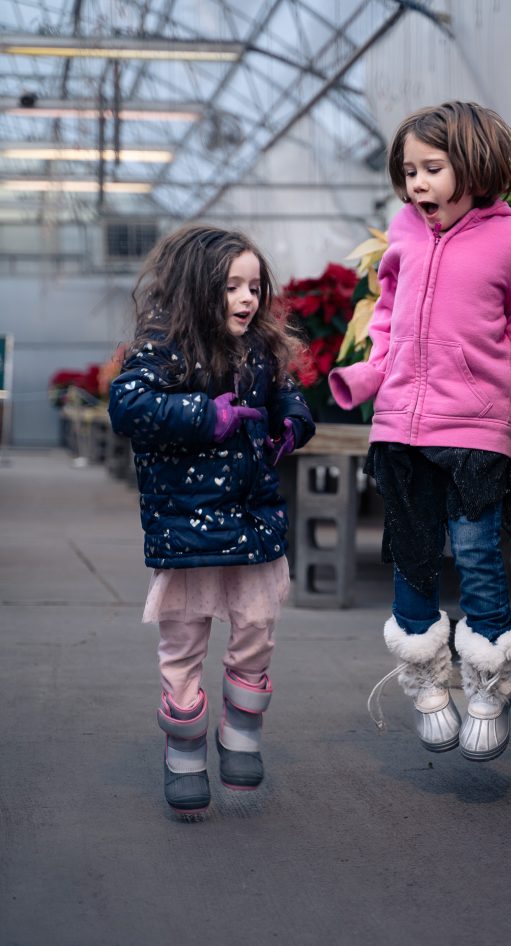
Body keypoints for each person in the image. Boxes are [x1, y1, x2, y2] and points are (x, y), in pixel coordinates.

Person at [329, 100, 511, 762]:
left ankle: (486, 684)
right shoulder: (403, 232)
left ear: (476, 165)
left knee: (477, 554)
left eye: (432, 168)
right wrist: (370, 374)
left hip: (474, 425)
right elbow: (387, 316)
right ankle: (425, 682)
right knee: (411, 554)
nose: (416, 185)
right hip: (400, 421)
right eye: (408, 171)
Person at [109, 225, 315, 816]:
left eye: (254, 286)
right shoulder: (160, 350)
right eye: (231, 287)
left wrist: (291, 426)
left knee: (256, 626)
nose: (248, 299)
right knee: (184, 638)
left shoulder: (263, 352)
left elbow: (290, 397)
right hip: (186, 527)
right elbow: (129, 406)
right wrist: (206, 414)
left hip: (253, 523)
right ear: (196, 290)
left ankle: (241, 733)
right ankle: (184, 749)